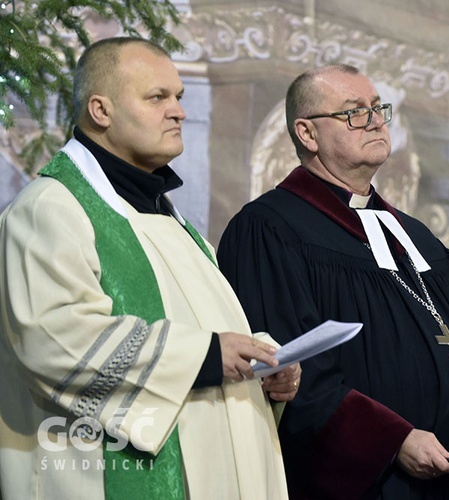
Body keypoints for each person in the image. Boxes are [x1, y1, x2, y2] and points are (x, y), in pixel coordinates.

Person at [0, 36, 300, 499]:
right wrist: (203, 356)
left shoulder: (174, 223)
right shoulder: (49, 210)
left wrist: (263, 367)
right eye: (158, 97)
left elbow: (209, 338)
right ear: (101, 111)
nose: (178, 110)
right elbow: (53, 340)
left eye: (178, 96)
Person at [217, 64, 449, 499]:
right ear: (307, 133)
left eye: (378, 108)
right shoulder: (270, 231)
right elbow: (290, 371)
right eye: (354, 112)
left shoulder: (416, 237)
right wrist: (391, 440)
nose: (376, 120)